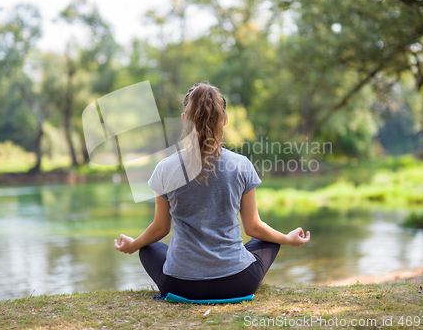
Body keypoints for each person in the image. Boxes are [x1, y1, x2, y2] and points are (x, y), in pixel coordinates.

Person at [114, 83, 310, 300]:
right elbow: (253, 227)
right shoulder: (241, 165)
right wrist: (287, 238)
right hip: (238, 283)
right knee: (271, 239)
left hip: (179, 285)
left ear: (184, 119)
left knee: (148, 247)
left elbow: (160, 228)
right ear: (224, 120)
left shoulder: (165, 168)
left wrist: (134, 245)